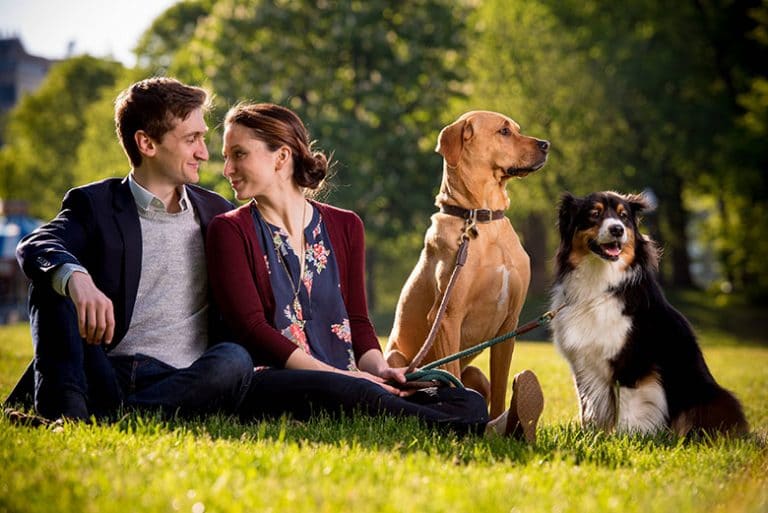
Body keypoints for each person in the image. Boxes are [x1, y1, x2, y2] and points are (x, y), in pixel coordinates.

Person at [206, 102, 542, 438]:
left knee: (457, 396)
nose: (227, 169)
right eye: (227, 157)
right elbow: (252, 330)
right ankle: (483, 431)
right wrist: (345, 377)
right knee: (360, 392)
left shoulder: (346, 225)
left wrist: (381, 370)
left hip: (354, 378)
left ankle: (466, 414)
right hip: (274, 380)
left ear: (281, 157)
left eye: (238, 154)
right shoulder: (229, 230)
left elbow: (358, 321)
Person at [5, 77, 254, 422]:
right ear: (147, 143)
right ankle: (67, 412)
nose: (204, 152)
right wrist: (77, 279)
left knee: (234, 360)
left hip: (181, 376)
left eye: (202, 138)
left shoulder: (217, 212)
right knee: (52, 282)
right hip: (104, 369)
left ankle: (104, 418)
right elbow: (38, 244)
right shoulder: (94, 203)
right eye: (191, 139)